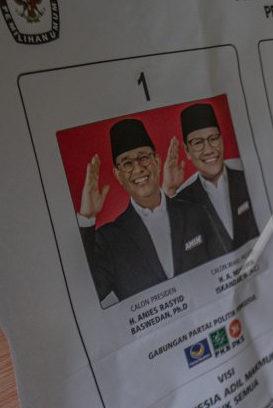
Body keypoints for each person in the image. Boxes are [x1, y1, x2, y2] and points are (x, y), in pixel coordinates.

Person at [78, 118, 226, 304]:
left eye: (143, 158)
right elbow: (88, 295)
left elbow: (225, 266)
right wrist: (86, 219)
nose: (138, 168)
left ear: (156, 161)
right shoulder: (109, 239)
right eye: (127, 163)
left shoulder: (195, 213)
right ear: (118, 175)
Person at [164, 103, 259, 250]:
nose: (208, 150)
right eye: (198, 143)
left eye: (213, 138)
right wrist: (169, 190)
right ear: (187, 151)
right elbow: (169, 247)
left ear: (221, 140)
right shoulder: (182, 201)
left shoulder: (249, 178)